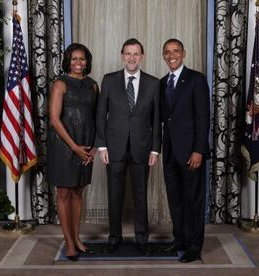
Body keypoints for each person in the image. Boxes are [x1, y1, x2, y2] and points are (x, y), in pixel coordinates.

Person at [95, 38, 161, 254]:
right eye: (128, 53)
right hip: (114, 148)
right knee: (114, 195)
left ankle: (142, 239)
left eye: (136, 54)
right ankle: (114, 237)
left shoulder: (153, 83)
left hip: (142, 148)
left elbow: (156, 119)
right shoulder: (109, 80)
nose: (132, 58)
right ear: (122, 55)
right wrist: (102, 146)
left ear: (142, 56)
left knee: (141, 195)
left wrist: (154, 149)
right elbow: (100, 115)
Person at [46, 43, 98, 261]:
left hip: (85, 146)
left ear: (87, 61)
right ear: (68, 60)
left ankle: (77, 238)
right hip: (63, 146)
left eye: (83, 59)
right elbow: (54, 120)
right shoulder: (60, 84)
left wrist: (93, 147)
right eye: (75, 59)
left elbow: (97, 118)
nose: (79, 63)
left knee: (78, 191)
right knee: (64, 193)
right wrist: (74, 147)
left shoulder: (93, 85)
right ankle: (68, 241)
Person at [160, 38, 209, 263]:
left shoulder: (196, 80)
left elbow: (202, 118)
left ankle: (194, 246)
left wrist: (198, 150)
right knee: (175, 199)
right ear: (163, 56)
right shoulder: (162, 83)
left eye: (176, 51)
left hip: (191, 153)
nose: (172, 55)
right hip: (170, 152)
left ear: (184, 53)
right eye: (168, 52)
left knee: (194, 200)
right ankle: (179, 239)